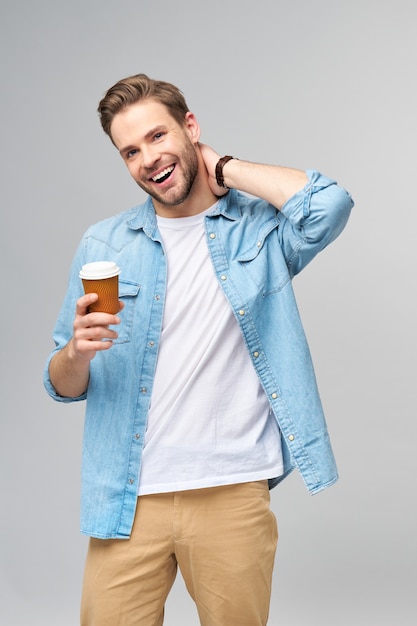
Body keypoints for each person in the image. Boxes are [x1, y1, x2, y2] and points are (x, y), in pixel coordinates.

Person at [44, 73, 353, 626]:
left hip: (232, 489)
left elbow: (329, 204)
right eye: (130, 151)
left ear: (190, 128)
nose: (148, 159)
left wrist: (226, 167)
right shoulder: (104, 244)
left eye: (158, 137)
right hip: (128, 498)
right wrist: (78, 354)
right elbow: (62, 384)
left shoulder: (257, 231)